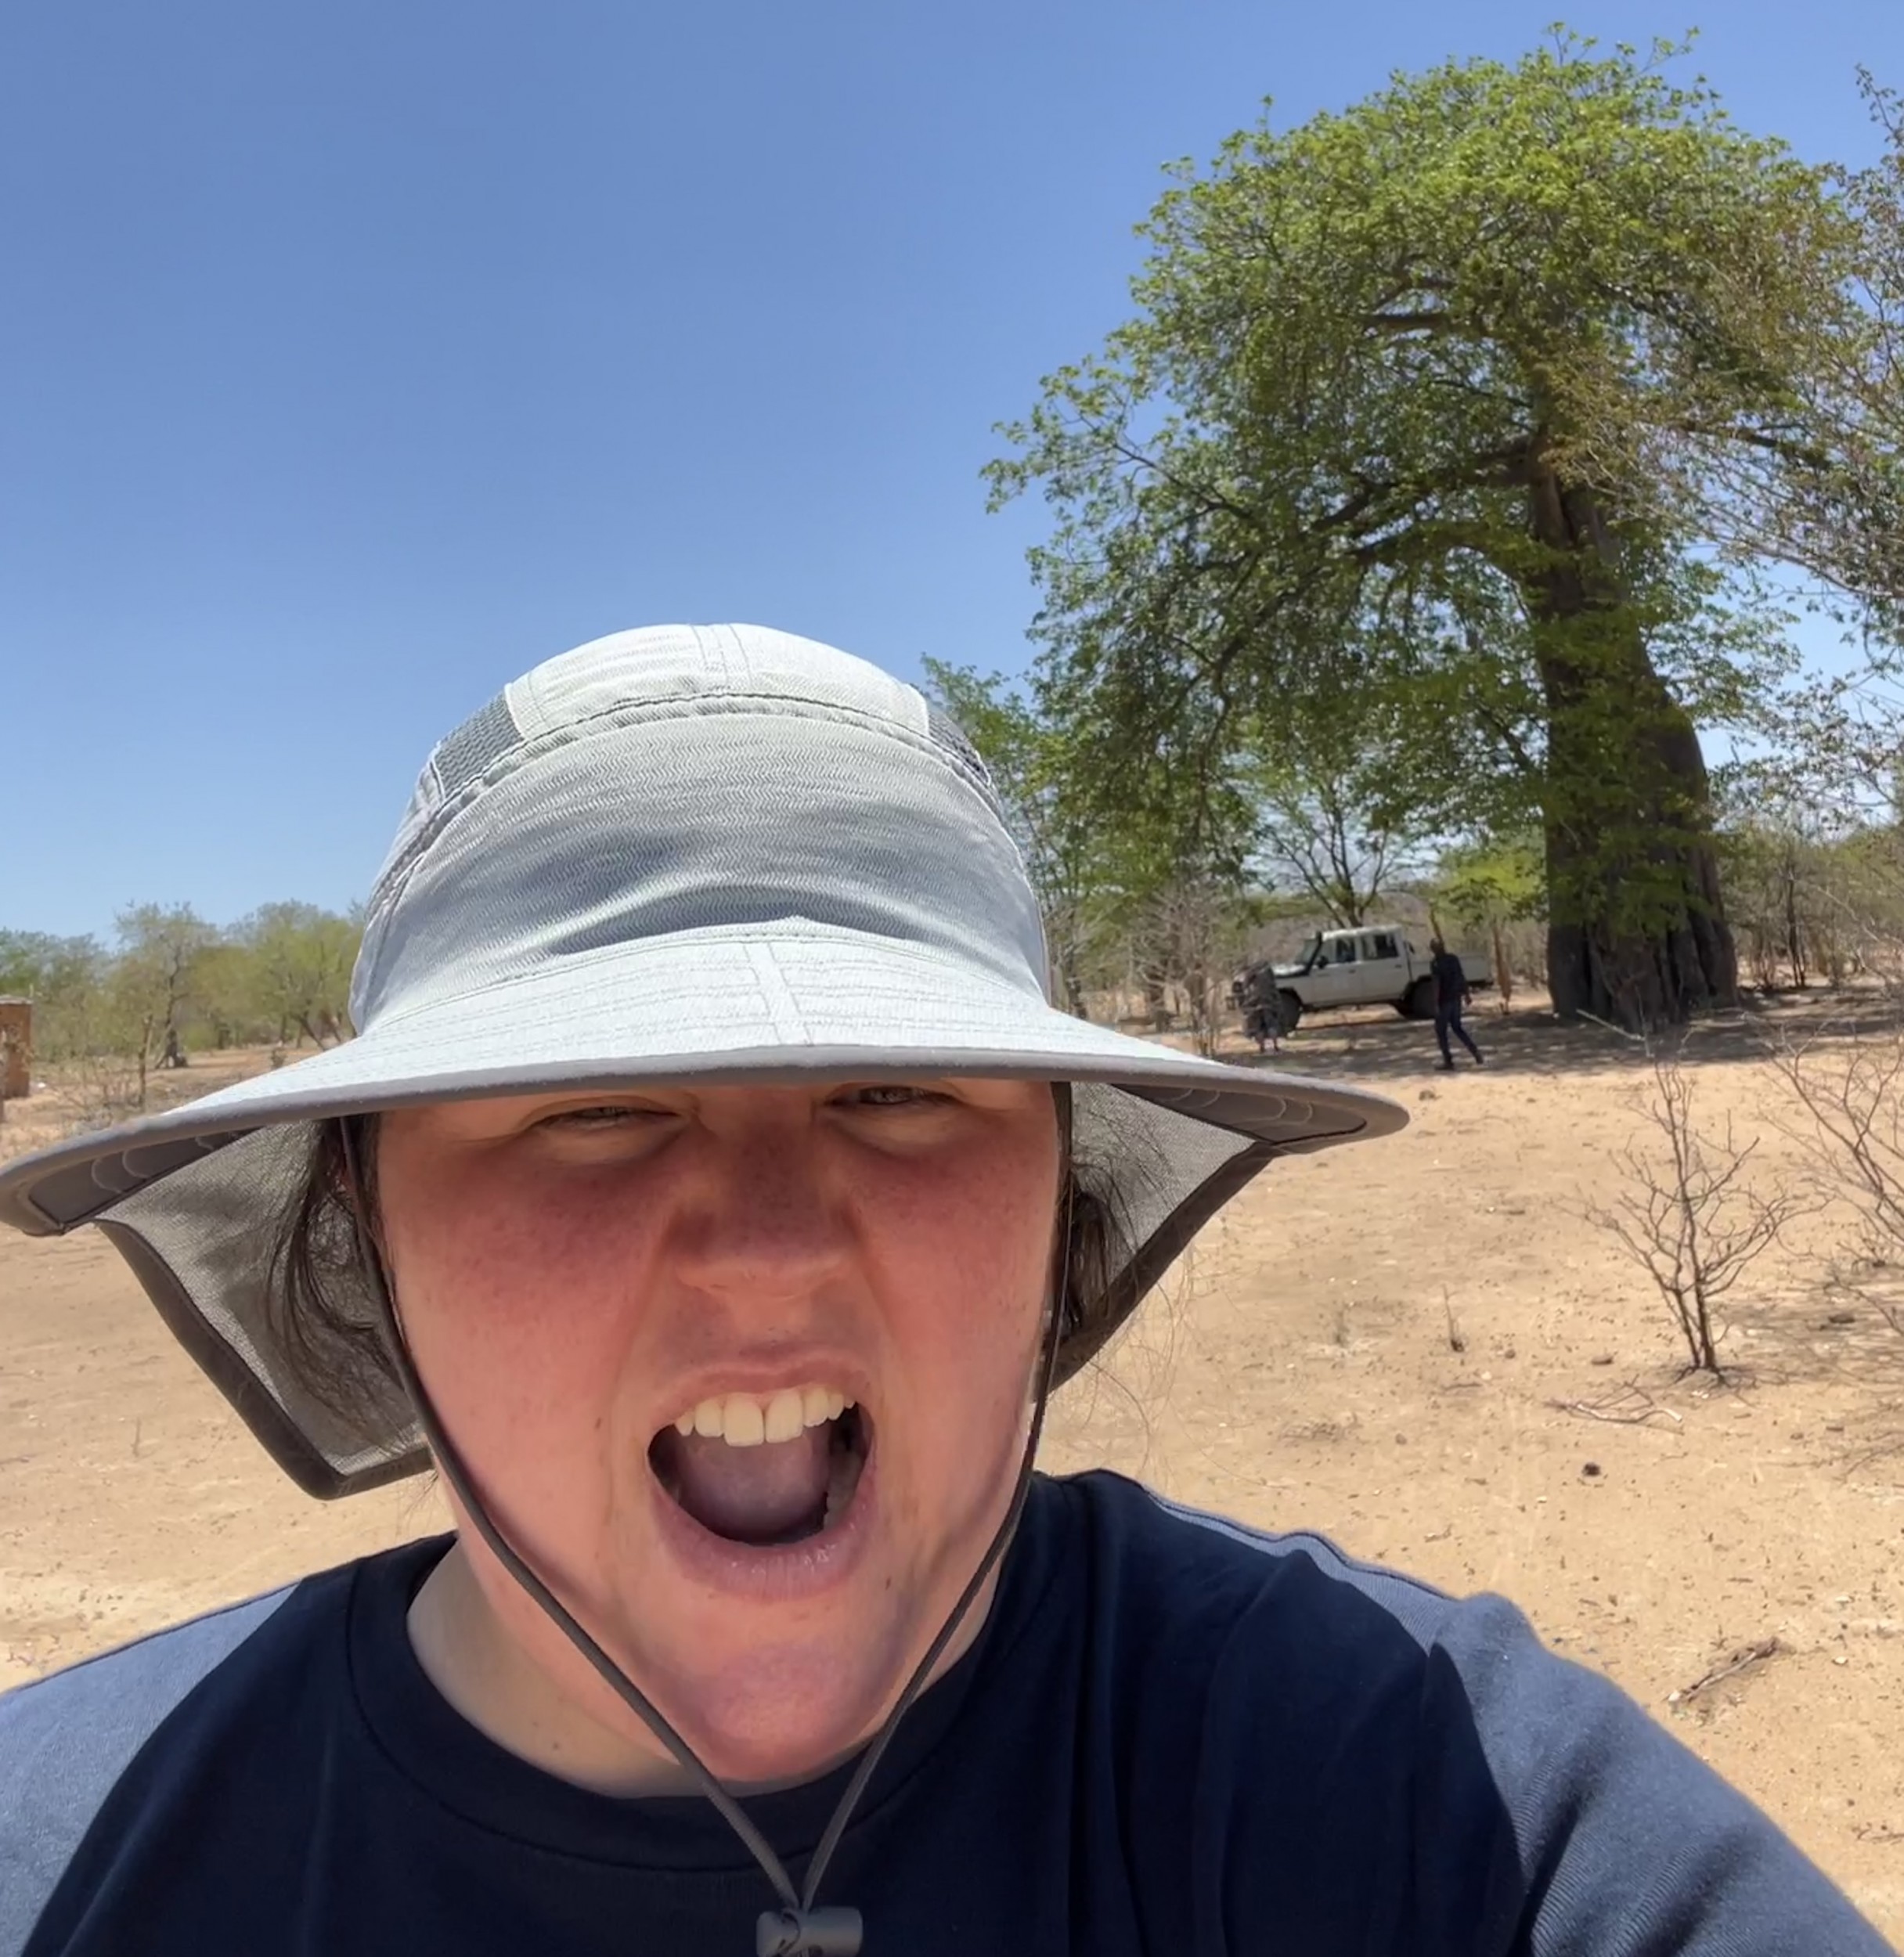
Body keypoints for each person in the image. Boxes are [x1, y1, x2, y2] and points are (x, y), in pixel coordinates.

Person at [0, 625, 1887, 1957]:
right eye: (590, 1108)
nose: (765, 1244)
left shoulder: (1414, 1783)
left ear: (1058, 1190)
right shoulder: (64, 1862)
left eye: (900, 1091)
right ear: (362, 1217)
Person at [1429, 935, 1484, 1070]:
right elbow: (1461, 976)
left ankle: (1448, 1061)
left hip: (1445, 1000)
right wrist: (1467, 994)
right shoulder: (1453, 959)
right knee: (1457, 1028)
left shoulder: (1436, 964)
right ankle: (1476, 1053)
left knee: (1441, 1030)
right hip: (1456, 998)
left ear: (1433, 950)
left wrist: (1435, 1003)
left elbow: (1437, 984)